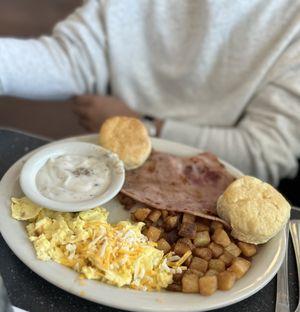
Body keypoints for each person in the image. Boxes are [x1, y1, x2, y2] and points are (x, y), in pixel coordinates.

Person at [0, 0, 300, 186]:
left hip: (218, 194)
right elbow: (73, 58)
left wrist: (143, 126)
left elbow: (262, 155)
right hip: (107, 177)